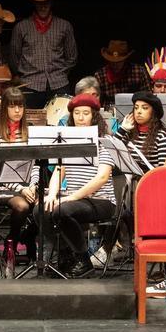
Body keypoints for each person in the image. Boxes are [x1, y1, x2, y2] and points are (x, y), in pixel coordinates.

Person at [44, 94, 117, 277]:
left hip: (101, 200)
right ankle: (67, 256)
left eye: (86, 113)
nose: (81, 117)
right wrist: (52, 194)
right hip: (73, 198)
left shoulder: (105, 142)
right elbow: (59, 171)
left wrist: (72, 197)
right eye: (77, 113)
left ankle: (84, 260)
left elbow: (102, 177)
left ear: (94, 116)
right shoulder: (68, 141)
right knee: (41, 209)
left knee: (62, 211)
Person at [0, 87, 39, 270]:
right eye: (12, 107)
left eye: (20, 106)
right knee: (22, 205)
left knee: (48, 205)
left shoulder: (30, 133)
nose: (17, 111)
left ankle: (27, 238)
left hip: (28, 186)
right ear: (4, 109)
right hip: (4, 188)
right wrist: (20, 188)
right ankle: (12, 242)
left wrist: (33, 185)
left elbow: (36, 165)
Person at [8, 0, 77, 109]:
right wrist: (24, 73)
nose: (43, 6)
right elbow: (14, 57)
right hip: (29, 85)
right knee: (29, 126)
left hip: (59, 85)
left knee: (60, 125)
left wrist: (60, 72)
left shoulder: (65, 26)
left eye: (46, 2)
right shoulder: (21, 27)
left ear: (52, 2)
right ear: (34, 3)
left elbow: (72, 57)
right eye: (39, 2)